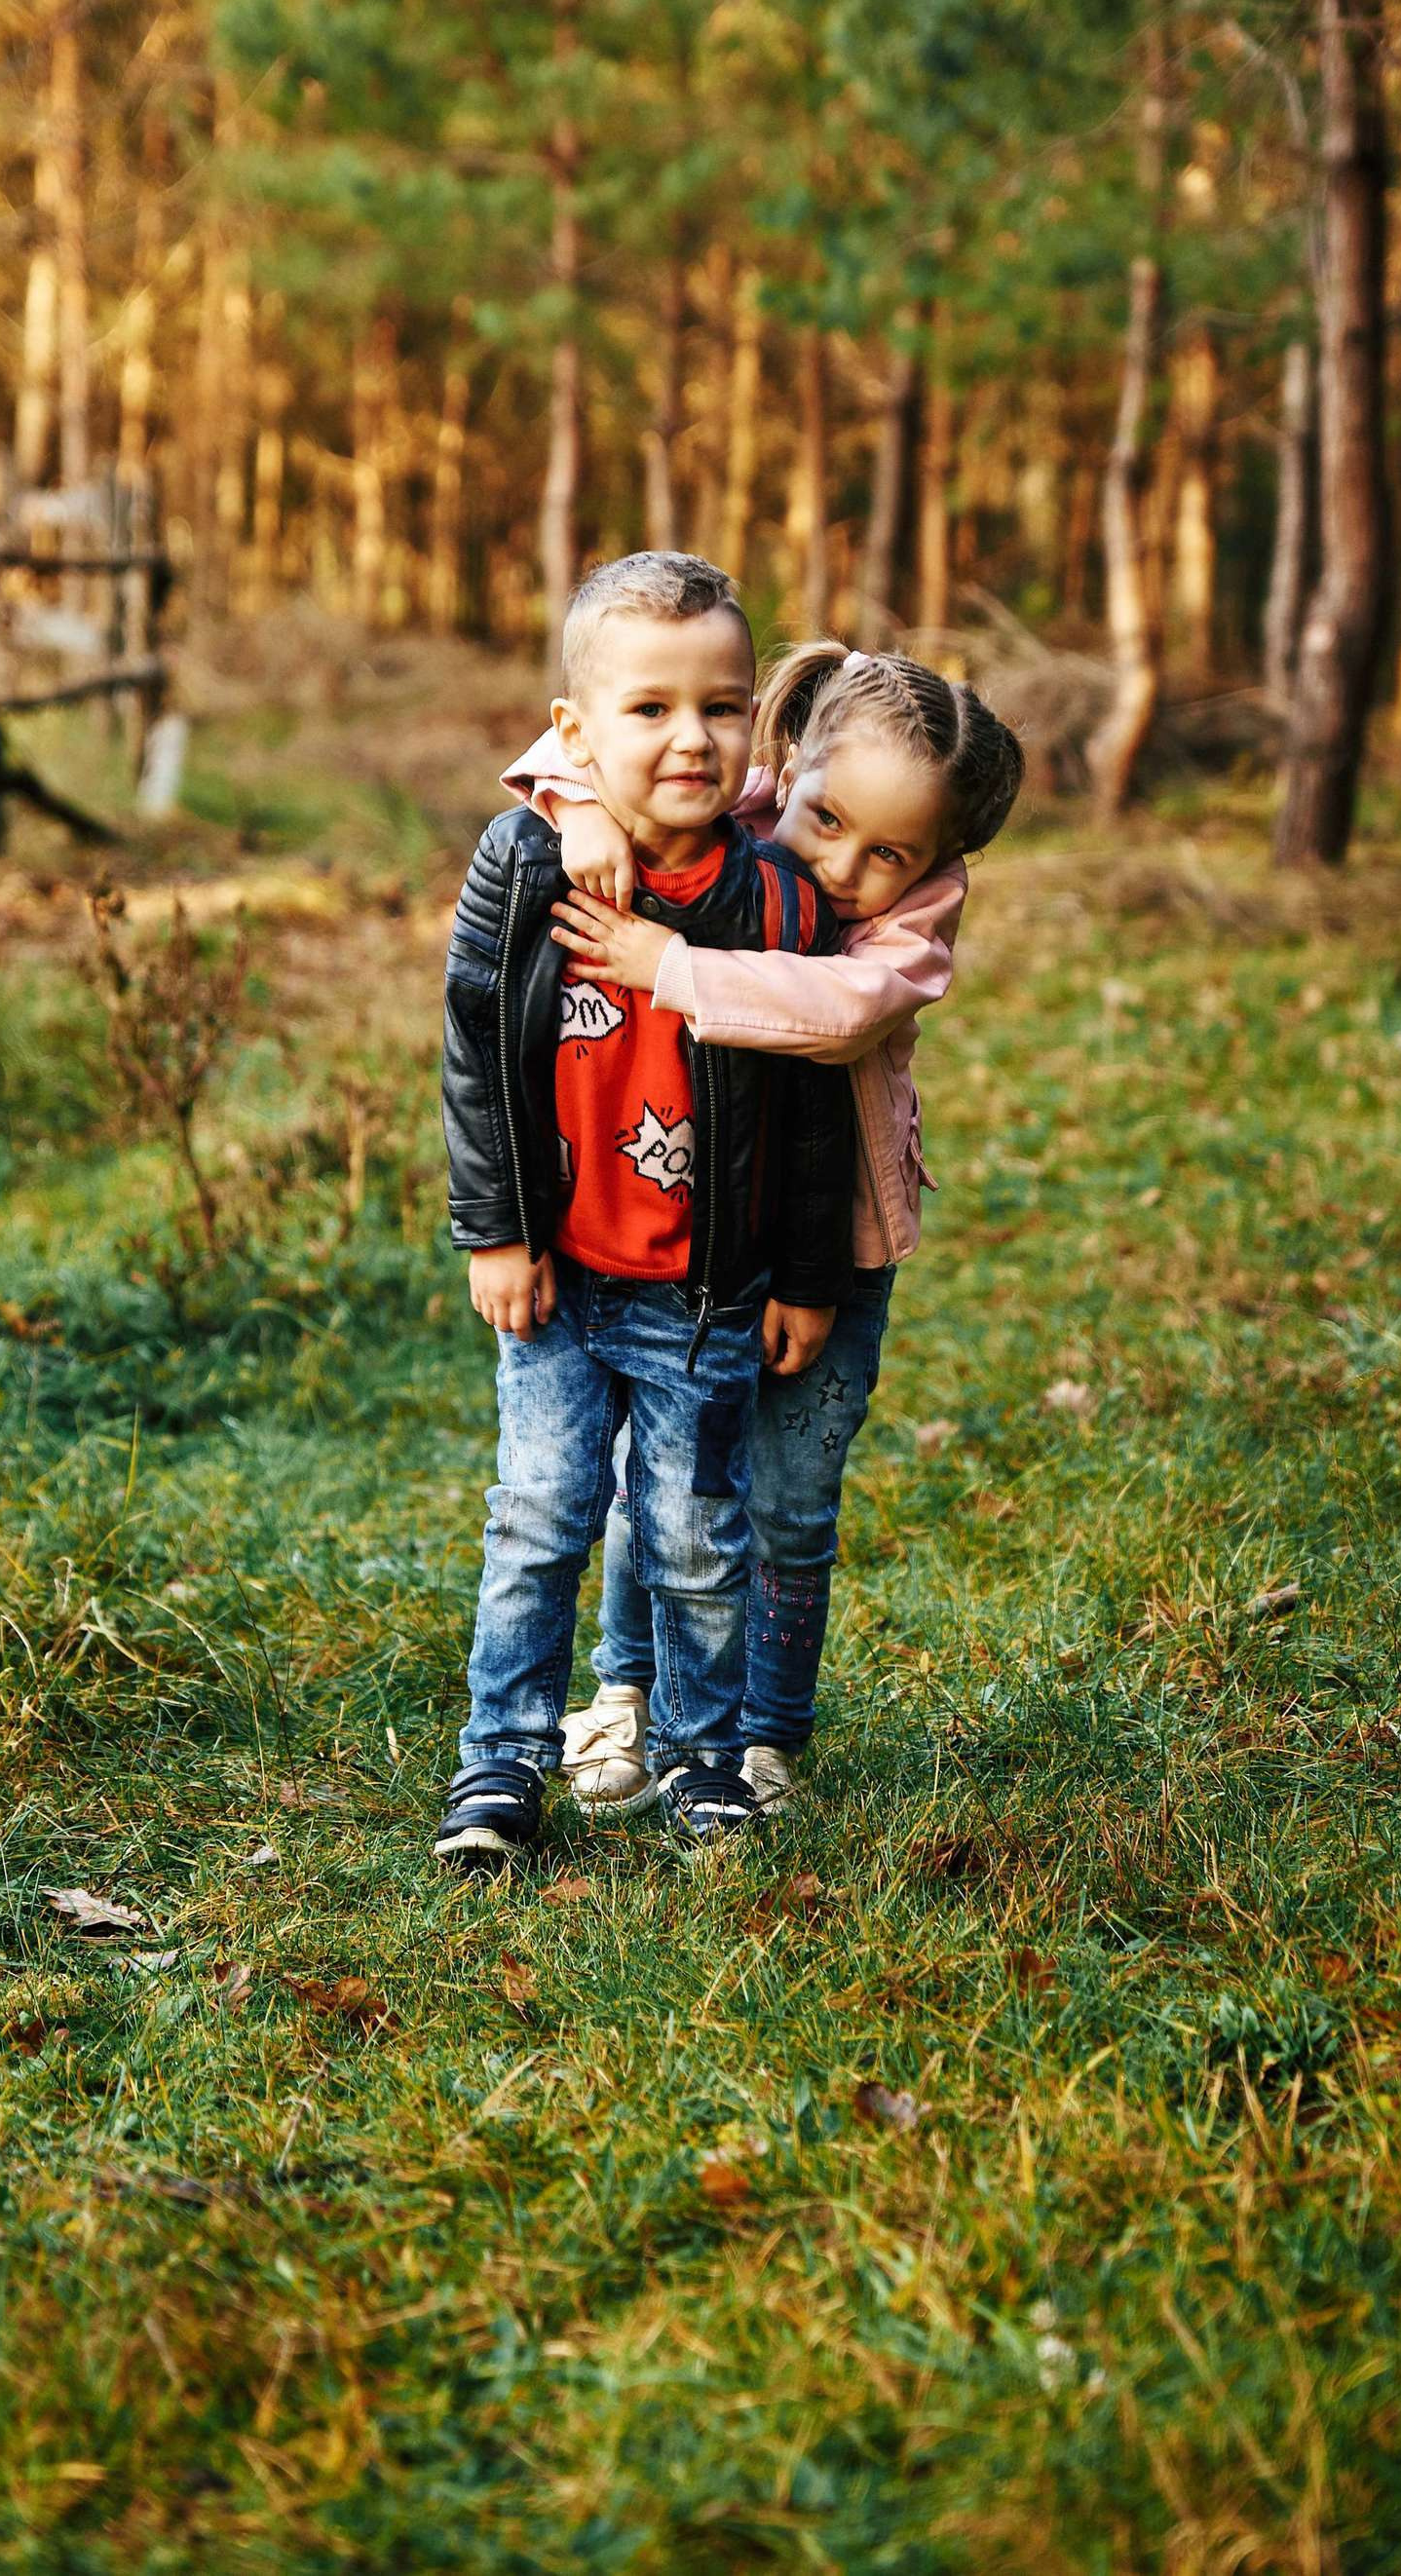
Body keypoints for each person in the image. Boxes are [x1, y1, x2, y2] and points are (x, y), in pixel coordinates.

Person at [506, 640, 1023, 1812]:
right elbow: (595, 729)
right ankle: (627, 1698)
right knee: (662, 1481)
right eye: (826, 815)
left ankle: (760, 1734)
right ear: (787, 767)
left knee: (785, 1498)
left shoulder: (912, 921)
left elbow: (841, 1009)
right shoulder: (739, 806)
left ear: (937, 860)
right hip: (699, 1226)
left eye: (885, 852)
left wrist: (670, 964)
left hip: (830, 1251)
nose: (840, 865)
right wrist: (579, 799)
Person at [436, 555, 856, 1865]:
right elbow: (476, 1050)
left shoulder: (780, 899)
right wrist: (494, 1229)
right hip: (559, 1283)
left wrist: (802, 1272)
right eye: (650, 708)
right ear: (572, 734)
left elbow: (809, 1105)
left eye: (723, 707)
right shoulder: (525, 864)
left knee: (693, 1533)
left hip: (705, 1292)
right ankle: (502, 1762)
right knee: (542, 1518)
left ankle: (700, 1754)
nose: (692, 737)